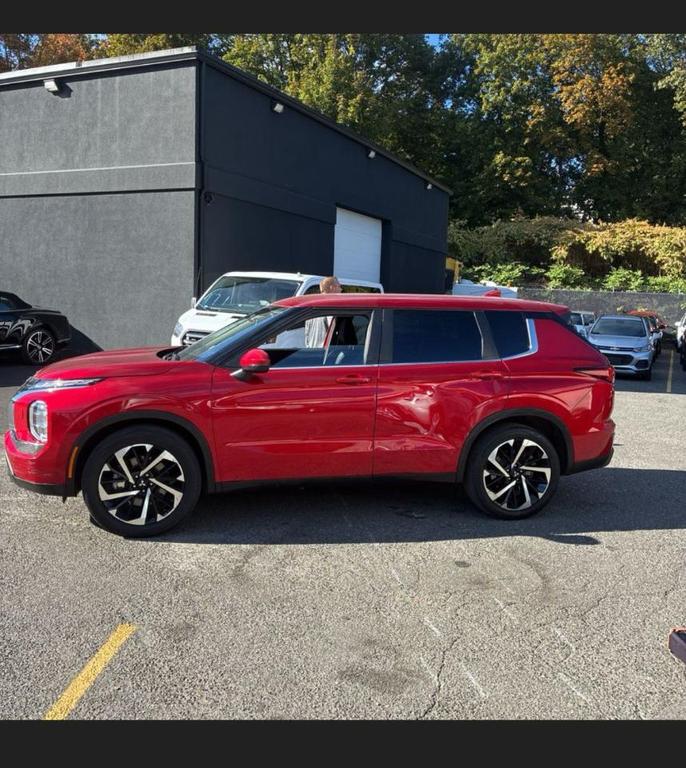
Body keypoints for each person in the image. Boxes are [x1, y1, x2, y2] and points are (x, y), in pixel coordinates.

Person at [304, 276, 342, 347]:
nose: (341, 290)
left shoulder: (311, 307)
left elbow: (307, 336)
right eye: (339, 286)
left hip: (311, 352)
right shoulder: (331, 308)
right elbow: (332, 336)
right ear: (332, 288)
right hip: (323, 354)